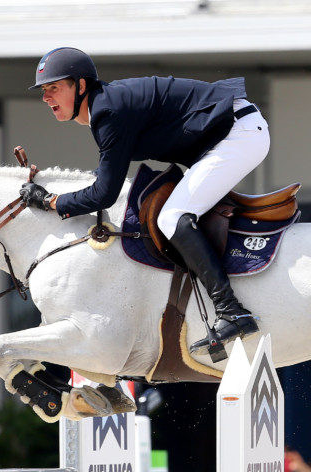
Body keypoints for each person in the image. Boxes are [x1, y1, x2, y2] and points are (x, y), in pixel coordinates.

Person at [20, 47, 269, 352]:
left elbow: (103, 194)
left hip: (239, 133)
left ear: (81, 85)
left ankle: (231, 310)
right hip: (229, 132)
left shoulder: (108, 112)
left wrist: (50, 202)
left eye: (54, 88)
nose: (46, 97)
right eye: (44, 90)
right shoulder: (106, 106)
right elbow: (104, 183)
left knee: (172, 217)